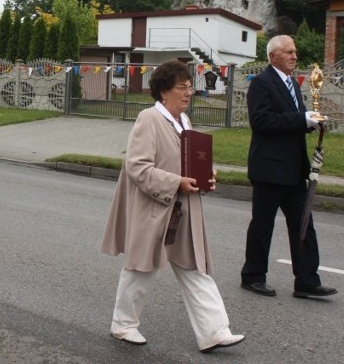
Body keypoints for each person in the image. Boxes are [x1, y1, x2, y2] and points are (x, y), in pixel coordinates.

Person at [100, 60, 245, 353]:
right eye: (182, 87)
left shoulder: (185, 122)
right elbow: (137, 167)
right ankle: (123, 325)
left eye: (190, 87)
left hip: (184, 210)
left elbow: (189, 162)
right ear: (164, 92)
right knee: (141, 268)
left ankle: (214, 332)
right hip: (154, 209)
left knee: (195, 269)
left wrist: (206, 178)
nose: (188, 92)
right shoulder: (149, 119)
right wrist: (175, 182)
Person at [239, 35, 337, 299]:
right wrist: (300, 119)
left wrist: (311, 123)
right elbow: (261, 121)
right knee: (263, 225)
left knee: (304, 224)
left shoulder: (293, 83)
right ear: (273, 56)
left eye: (295, 51)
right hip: (269, 168)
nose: (295, 56)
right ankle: (253, 276)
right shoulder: (261, 83)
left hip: (294, 168)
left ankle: (306, 280)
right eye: (288, 52)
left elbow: (292, 121)